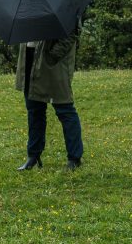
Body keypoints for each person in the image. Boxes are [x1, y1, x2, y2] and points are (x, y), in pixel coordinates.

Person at [15, 27, 84, 171]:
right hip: (29, 56)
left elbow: (72, 32)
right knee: (34, 111)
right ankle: (33, 156)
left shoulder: (65, 4)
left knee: (65, 110)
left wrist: (52, 56)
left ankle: (74, 158)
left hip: (52, 63)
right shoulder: (27, 4)